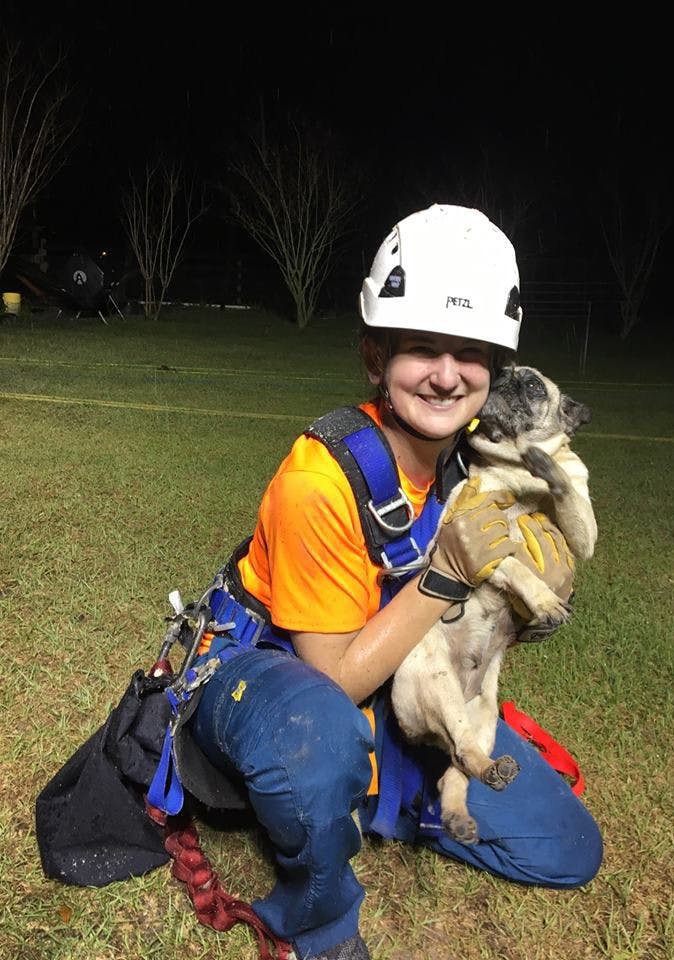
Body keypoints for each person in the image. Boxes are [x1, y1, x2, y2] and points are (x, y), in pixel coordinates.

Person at [186, 205, 603, 960]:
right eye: (420, 349)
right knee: (321, 732)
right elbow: (333, 678)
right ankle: (318, 919)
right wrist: (448, 573)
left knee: (567, 848)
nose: (446, 376)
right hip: (280, 680)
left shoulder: (470, 466)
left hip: (397, 680)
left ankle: (393, 796)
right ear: (375, 357)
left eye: (469, 353)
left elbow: (457, 628)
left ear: (495, 368)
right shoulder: (322, 479)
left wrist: (517, 610)